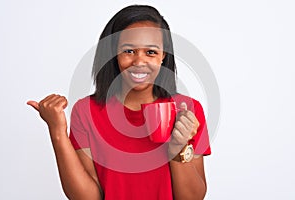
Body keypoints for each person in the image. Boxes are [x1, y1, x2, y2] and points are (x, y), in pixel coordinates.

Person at [27, 5, 211, 200]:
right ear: (113, 53)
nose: (139, 62)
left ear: (163, 56)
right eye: (129, 51)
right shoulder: (86, 111)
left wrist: (178, 148)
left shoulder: (187, 110)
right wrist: (57, 132)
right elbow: (87, 198)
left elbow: (193, 198)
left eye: (151, 52)